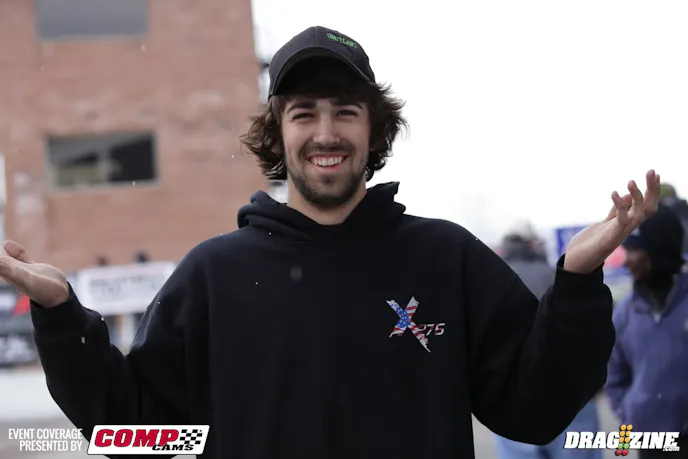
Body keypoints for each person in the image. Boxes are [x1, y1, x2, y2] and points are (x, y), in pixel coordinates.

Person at [0, 26, 662, 458]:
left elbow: (534, 409)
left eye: (346, 111)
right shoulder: (213, 275)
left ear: (374, 131)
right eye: (304, 113)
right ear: (277, 132)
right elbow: (137, 431)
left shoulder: (445, 259)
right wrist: (61, 316)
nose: (326, 132)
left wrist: (576, 284)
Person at [494, 221, 602, 459]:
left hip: (512, 398)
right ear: (529, 243)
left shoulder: (492, 279)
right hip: (566, 390)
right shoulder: (553, 273)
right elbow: (583, 327)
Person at [605, 205, 688, 458]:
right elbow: (614, 376)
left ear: (657, 251)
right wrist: (630, 412)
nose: (627, 260)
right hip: (651, 440)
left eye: (634, 250)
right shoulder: (625, 312)